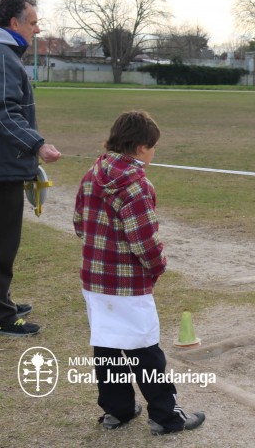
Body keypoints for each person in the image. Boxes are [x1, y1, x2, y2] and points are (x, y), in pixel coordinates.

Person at [73, 111, 205, 435]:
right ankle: (165, 415)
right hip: (127, 285)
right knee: (145, 349)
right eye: (154, 147)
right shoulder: (136, 185)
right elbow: (144, 240)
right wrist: (158, 266)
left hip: (94, 280)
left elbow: (79, 223)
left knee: (106, 345)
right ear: (143, 147)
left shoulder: (92, 174)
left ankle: (116, 410)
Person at [0, 0, 61, 336]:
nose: (37, 28)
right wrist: (37, 145)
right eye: (32, 22)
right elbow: (3, 111)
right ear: (14, 24)